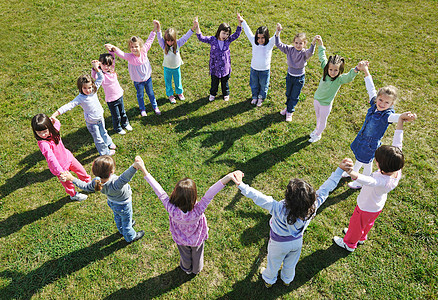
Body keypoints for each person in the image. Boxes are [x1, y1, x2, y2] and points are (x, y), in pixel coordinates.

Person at [229, 165, 348, 287]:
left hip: (277, 244)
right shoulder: (312, 208)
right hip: (297, 242)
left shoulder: (277, 208)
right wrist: (339, 171)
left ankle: (269, 280)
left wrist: (241, 184)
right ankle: (287, 280)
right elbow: (325, 189)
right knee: (291, 263)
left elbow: (258, 197)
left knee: (273, 262)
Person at [334, 112, 417, 251]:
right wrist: (400, 121)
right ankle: (361, 237)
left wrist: (351, 172)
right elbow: (398, 143)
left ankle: (349, 244)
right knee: (367, 224)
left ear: (379, 165)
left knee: (356, 224)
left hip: (365, 207)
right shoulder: (397, 169)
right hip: (376, 207)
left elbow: (366, 180)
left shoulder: (379, 180)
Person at [137, 161, 237, 274]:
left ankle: (186, 269)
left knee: (185, 256)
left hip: (181, 240)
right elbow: (210, 193)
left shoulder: (171, 209)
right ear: (193, 197)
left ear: (175, 195)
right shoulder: (198, 209)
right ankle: (196, 269)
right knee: (197, 255)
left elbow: (159, 191)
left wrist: (144, 170)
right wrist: (228, 177)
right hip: (197, 240)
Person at [344, 63, 412, 189]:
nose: (382, 104)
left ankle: (360, 182)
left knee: (367, 163)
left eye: (387, 102)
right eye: (380, 100)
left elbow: (396, 117)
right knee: (359, 157)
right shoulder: (374, 104)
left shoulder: (387, 115)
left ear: (391, 104)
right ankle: (353, 171)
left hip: (370, 145)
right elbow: (370, 88)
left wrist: (403, 116)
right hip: (362, 138)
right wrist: (366, 70)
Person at [60, 156, 146, 243]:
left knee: (118, 217)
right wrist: (135, 166)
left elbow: (85, 186)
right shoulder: (116, 183)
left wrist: (71, 178)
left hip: (113, 203)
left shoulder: (96, 182)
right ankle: (130, 236)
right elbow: (125, 176)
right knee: (126, 220)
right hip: (124, 205)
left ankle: (121, 230)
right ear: (112, 171)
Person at [51, 60, 116, 156]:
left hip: (100, 118)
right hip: (92, 122)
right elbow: (68, 106)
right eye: (84, 88)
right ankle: (105, 153)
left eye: (89, 87)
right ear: (80, 88)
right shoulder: (80, 98)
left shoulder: (94, 90)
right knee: (98, 138)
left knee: (104, 132)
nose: (88, 90)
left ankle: (108, 142)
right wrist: (55, 114)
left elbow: (101, 77)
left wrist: (96, 68)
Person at [309, 36, 363, 143]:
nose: (332, 72)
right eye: (331, 69)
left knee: (323, 120)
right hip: (317, 100)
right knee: (318, 117)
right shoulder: (325, 70)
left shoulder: (339, 79)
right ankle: (317, 129)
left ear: (340, 70)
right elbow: (322, 57)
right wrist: (321, 44)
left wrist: (356, 69)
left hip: (325, 104)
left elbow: (348, 77)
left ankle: (318, 134)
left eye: (335, 70)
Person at [31, 113, 91, 201]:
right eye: (39, 132)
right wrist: (60, 172)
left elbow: (58, 124)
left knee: (82, 171)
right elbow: (51, 158)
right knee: (68, 184)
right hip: (60, 168)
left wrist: (54, 119)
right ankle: (73, 195)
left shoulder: (54, 131)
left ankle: (88, 183)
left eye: (44, 131)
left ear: (49, 127)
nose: (43, 135)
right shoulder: (43, 144)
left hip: (69, 157)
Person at [105, 21, 160, 117]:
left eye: (136, 46)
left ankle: (155, 106)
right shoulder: (130, 57)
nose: (134, 49)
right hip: (138, 81)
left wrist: (155, 29)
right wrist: (113, 48)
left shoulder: (144, 50)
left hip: (148, 79)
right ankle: (142, 109)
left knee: (151, 93)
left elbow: (150, 40)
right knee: (140, 95)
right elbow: (121, 53)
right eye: (132, 47)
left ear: (141, 46)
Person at [275, 23, 317, 121]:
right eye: (296, 43)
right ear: (293, 42)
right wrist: (278, 32)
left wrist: (313, 42)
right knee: (288, 94)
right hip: (290, 76)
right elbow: (278, 44)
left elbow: (310, 52)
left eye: (301, 43)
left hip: (299, 78)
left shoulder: (304, 53)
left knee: (294, 96)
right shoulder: (289, 49)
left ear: (304, 44)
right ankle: (288, 108)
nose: (298, 45)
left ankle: (290, 111)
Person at [195, 14, 242, 102]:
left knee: (225, 82)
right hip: (214, 67)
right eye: (223, 33)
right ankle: (213, 94)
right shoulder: (213, 40)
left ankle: (226, 93)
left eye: (227, 34)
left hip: (225, 67)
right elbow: (201, 37)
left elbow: (236, 34)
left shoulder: (228, 40)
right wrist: (197, 26)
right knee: (214, 82)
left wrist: (240, 23)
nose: (225, 36)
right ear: (219, 31)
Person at [155, 18, 198, 103]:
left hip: (176, 67)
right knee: (168, 82)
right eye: (167, 40)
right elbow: (159, 38)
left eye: (171, 40)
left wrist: (193, 27)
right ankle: (170, 95)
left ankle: (179, 93)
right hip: (167, 68)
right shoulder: (164, 46)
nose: (169, 42)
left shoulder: (178, 44)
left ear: (174, 39)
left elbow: (186, 37)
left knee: (178, 80)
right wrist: (158, 28)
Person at [238, 13, 275, 107]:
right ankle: (254, 96)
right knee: (254, 84)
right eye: (258, 38)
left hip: (264, 70)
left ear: (266, 37)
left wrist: (278, 31)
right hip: (254, 69)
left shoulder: (269, 44)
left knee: (263, 85)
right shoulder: (254, 42)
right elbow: (248, 32)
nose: (260, 40)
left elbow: (275, 37)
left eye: (262, 38)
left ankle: (261, 97)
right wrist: (243, 21)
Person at [92, 51, 132, 135]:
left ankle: (125, 123)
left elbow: (112, 59)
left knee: (123, 112)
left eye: (108, 65)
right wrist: (95, 68)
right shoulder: (101, 75)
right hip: (111, 100)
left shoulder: (112, 70)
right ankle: (118, 128)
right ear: (100, 64)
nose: (106, 67)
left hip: (119, 96)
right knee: (116, 116)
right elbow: (94, 76)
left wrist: (111, 51)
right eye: (104, 64)